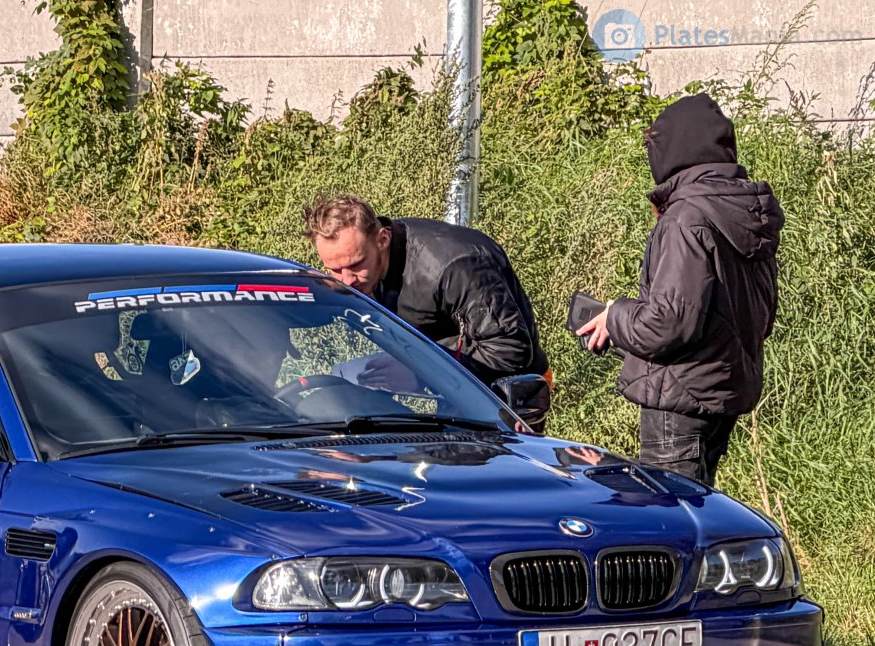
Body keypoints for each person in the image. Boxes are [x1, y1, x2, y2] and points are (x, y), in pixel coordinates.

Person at [577, 92, 784, 486]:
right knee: (699, 513)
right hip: (720, 391)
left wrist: (615, 315)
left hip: (679, 400)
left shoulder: (686, 218)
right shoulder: (744, 211)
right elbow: (762, 315)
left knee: (673, 525)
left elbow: (669, 323)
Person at [301, 194, 549, 388]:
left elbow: (511, 349)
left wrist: (420, 373)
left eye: (356, 265)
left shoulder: (454, 266)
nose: (346, 280)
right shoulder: (363, 270)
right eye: (334, 269)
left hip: (513, 394)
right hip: (455, 389)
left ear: (383, 239)